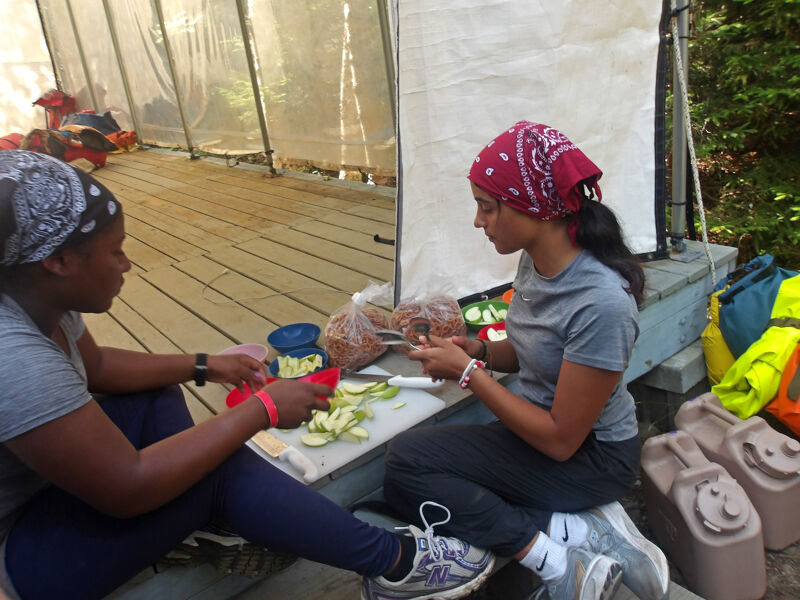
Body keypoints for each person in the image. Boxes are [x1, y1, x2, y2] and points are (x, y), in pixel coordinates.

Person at [0, 150, 495, 600]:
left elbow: (99, 367)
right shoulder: (15, 358)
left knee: (158, 397)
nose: (127, 263)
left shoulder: (38, 294)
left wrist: (205, 365)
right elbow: (126, 486)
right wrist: (266, 408)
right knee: (218, 472)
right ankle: (396, 565)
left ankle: (201, 519)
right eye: (115, 251)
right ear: (59, 261)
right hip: (19, 559)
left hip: (54, 492)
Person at [382, 122, 670, 600]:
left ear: (533, 207)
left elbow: (560, 440)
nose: (479, 221)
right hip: (539, 433)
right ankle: (571, 527)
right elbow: (541, 352)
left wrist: (469, 374)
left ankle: (558, 563)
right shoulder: (537, 259)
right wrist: (479, 350)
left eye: (488, 207)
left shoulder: (601, 303)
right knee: (406, 473)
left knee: (412, 471)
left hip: (590, 457)